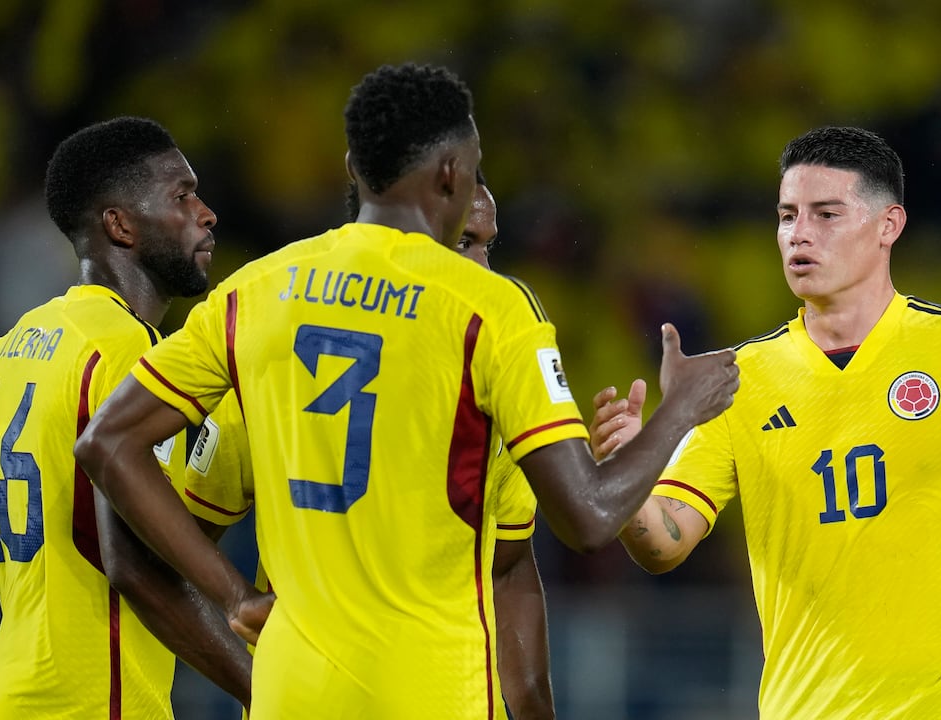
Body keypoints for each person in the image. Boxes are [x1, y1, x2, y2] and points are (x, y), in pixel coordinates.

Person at [74, 62, 739, 719]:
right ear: (452, 173)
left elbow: (107, 442)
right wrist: (682, 407)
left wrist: (234, 596)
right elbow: (588, 519)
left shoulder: (256, 293)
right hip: (429, 691)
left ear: (353, 167)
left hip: (292, 696)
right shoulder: (490, 311)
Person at [593, 126, 941, 719]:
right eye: (786, 216)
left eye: (826, 214)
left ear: (889, 226)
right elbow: (665, 544)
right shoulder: (735, 381)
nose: (799, 234)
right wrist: (631, 475)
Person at [0, 117, 252, 719]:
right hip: (87, 704)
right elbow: (134, 566)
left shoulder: (15, 346)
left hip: (0, 700)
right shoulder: (127, 355)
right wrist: (261, 688)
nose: (207, 213)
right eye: (183, 195)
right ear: (120, 225)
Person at [181, 177, 555, 718]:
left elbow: (509, 564)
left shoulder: (492, 367)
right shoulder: (276, 362)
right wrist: (246, 656)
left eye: (487, 247)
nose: (482, 271)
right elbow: (175, 547)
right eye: (463, 245)